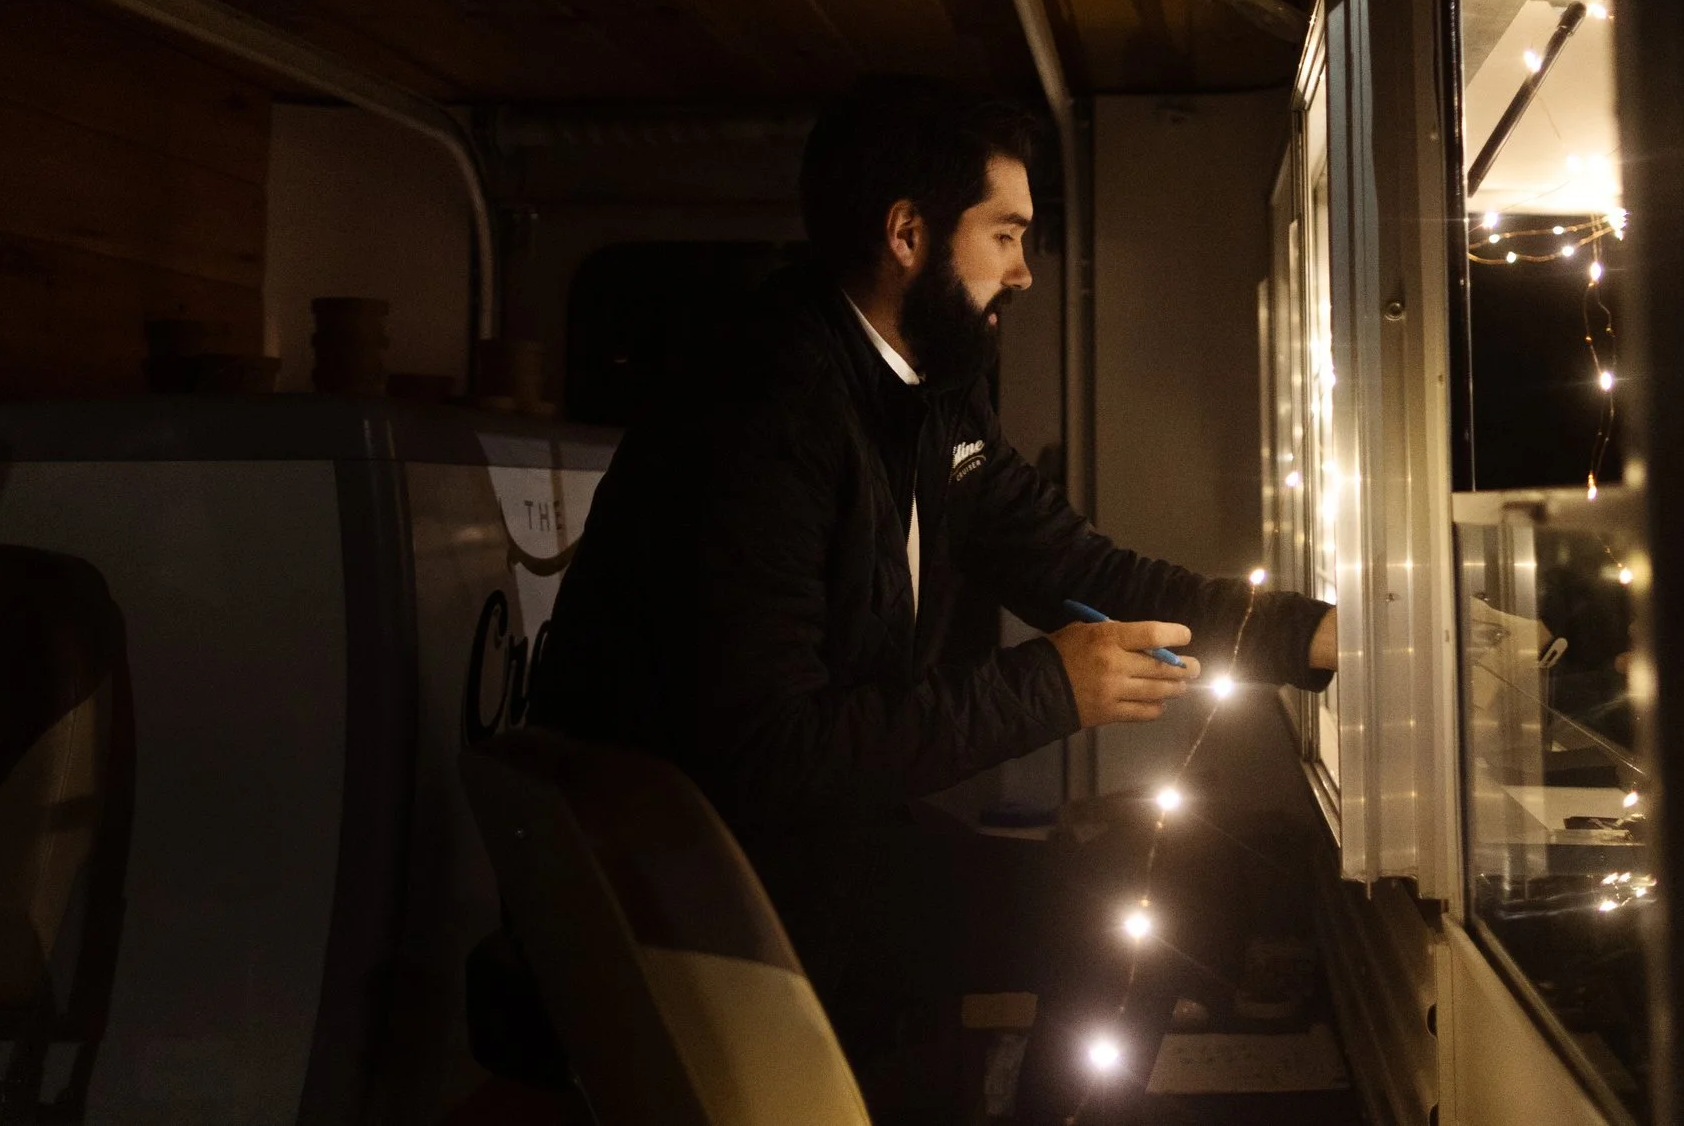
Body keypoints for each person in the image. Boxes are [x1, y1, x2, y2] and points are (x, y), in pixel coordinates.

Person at [528, 76, 1338, 1084]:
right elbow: (770, 750)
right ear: (908, 232)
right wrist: (1051, 686)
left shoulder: (924, 389)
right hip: (696, 873)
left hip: (794, 835)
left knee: (1151, 899)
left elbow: (1078, 567)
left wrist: (1314, 639)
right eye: (1005, 235)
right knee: (1132, 930)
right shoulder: (765, 406)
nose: (1026, 272)